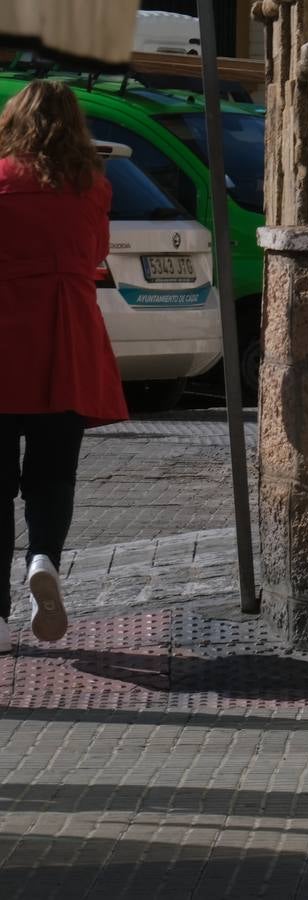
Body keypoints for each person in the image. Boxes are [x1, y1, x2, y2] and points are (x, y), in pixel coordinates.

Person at [0, 81, 128, 653]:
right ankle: (43, 559)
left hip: (5, 338)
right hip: (67, 341)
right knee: (54, 475)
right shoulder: (91, 186)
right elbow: (95, 252)